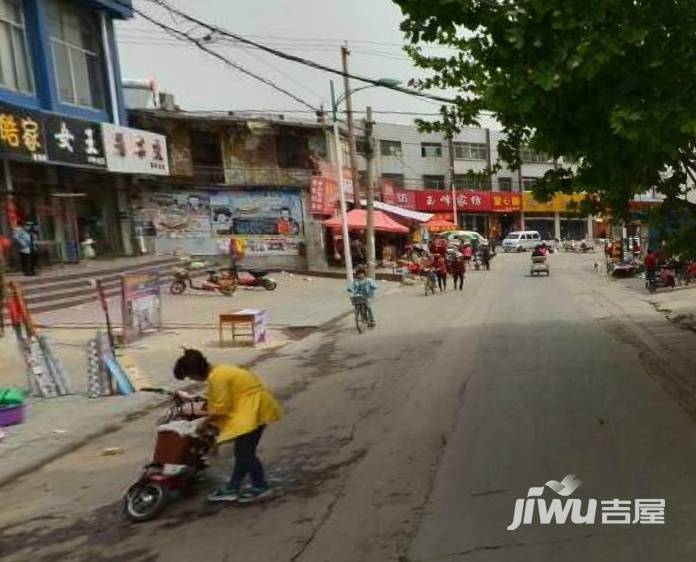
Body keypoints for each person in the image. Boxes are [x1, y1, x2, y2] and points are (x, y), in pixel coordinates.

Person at [173, 349, 282, 503]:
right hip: (254, 407)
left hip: (252, 410)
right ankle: (233, 487)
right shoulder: (218, 370)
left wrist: (203, 424)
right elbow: (216, 398)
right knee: (243, 453)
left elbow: (221, 407)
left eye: (191, 376)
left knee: (245, 453)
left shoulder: (217, 376)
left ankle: (260, 487)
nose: (194, 380)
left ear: (196, 371)